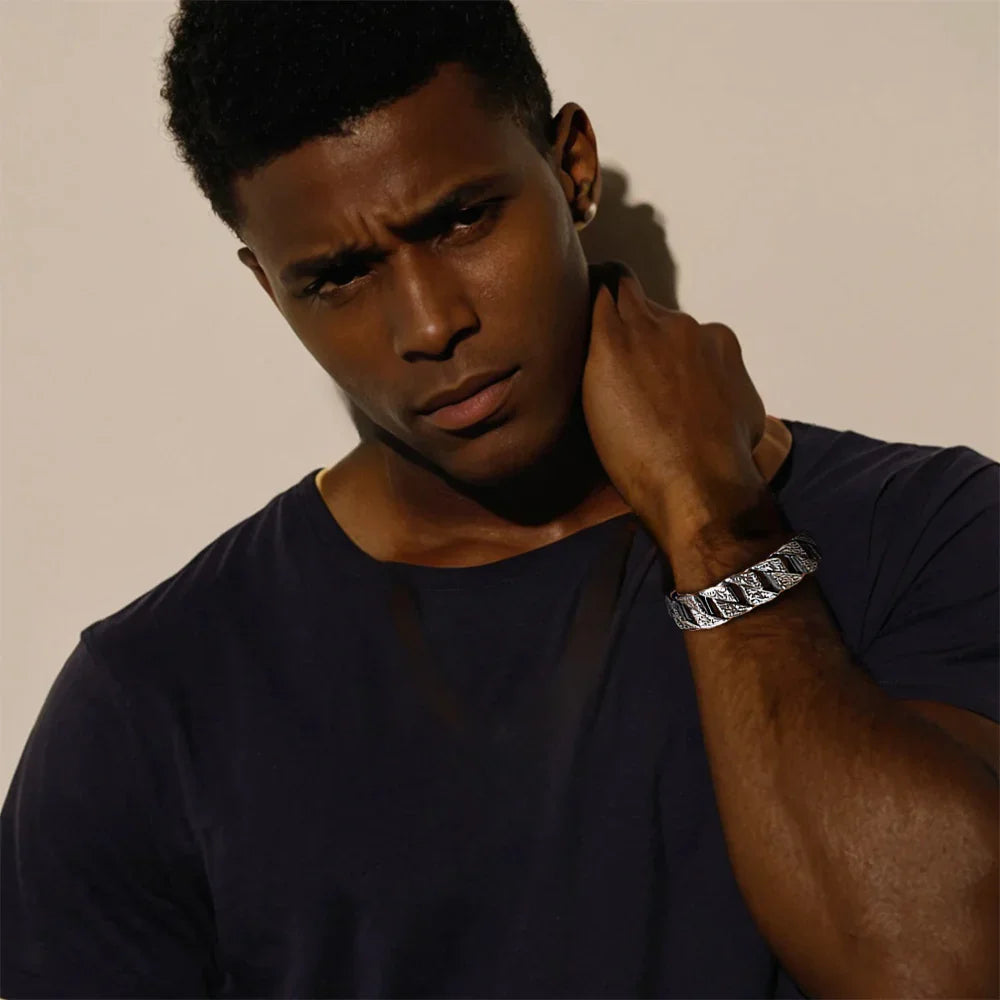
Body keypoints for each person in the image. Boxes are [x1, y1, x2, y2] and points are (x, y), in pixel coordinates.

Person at [2, 2, 997, 997]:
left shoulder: (929, 532)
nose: (430, 324)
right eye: (339, 277)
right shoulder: (152, 706)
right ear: (268, 288)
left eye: (461, 220)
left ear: (572, 168)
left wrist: (714, 520)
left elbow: (942, 972)